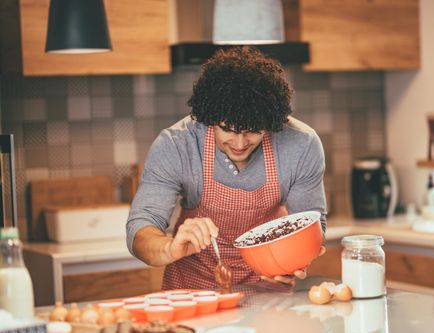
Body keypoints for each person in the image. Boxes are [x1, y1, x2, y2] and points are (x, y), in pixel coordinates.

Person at [126, 46, 327, 291]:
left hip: (267, 287)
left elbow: (311, 225)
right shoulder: (177, 145)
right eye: (228, 129)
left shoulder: (302, 144)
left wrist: (292, 259)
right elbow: (140, 230)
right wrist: (170, 247)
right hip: (195, 290)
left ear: (272, 121)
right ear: (208, 117)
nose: (240, 143)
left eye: (253, 130)